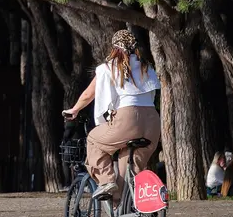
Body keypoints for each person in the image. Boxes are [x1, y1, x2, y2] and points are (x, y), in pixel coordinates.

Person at [63, 29, 161, 201]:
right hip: (152, 122)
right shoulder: (146, 66)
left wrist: (74, 110)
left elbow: (88, 95)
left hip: (128, 119)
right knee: (129, 167)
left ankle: (107, 181)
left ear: (114, 48)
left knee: (93, 140)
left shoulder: (109, 67)